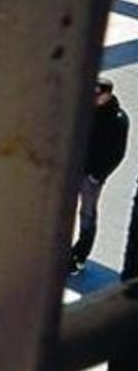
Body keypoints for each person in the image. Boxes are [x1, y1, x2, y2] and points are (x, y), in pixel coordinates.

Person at [71, 78, 130, 273]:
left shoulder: (118, 119)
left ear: (108, 95)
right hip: (75, 168)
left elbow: (117, 154)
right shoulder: (87, 110)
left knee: (87, 214)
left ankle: (79, 256)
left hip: (91, 176)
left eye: (98, 95)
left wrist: (96, 176)